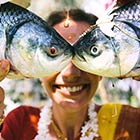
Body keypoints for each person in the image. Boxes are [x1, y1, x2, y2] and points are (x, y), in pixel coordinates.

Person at [0, 9, 140, 140]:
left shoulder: (132, 123)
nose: (70, 73)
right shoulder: (20, 122)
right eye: (53, 53)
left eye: (91, 51)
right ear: (37, 73)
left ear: (101, 72)